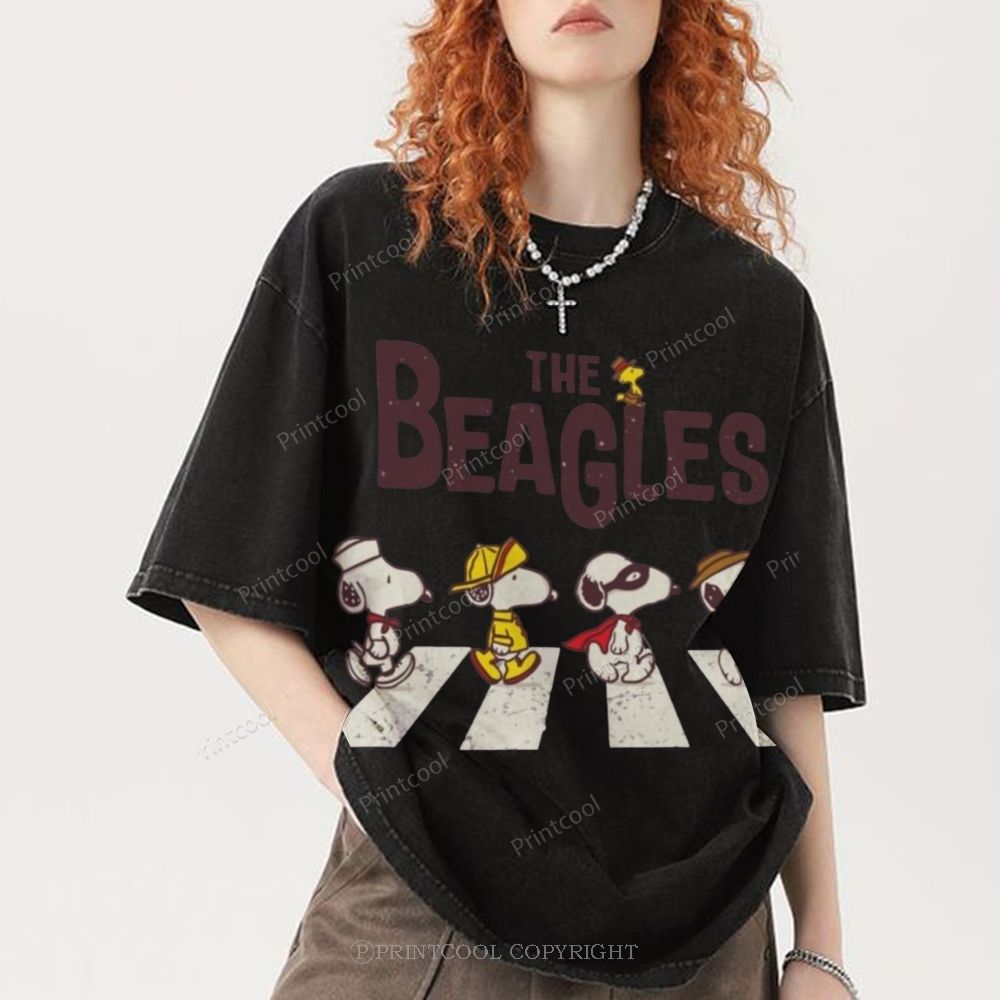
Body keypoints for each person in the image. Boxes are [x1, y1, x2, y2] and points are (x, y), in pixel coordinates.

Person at [127, 1, 865, 997]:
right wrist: (373, 780)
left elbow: (784, 667)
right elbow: (226, 563)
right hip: (422, 903)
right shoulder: (365, 241)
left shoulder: (757, 311)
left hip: (708, 922)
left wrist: (820, 946)